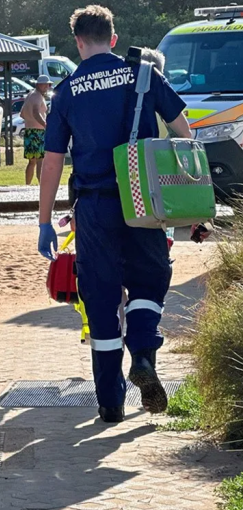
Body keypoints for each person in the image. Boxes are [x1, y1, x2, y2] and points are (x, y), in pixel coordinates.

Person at [38, 5, 191, 423]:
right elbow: (183, 130)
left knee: (102, 298)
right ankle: (142, 352)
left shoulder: (67, 90)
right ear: (114, 38)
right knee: (150, 278)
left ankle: (109, 401)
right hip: (144, 197)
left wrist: (43, 221)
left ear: (79, 43)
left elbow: (52, 162)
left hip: (94, 205)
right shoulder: (144, 74)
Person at [20, 75, 52, 184]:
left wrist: (30, 121)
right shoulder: (38, 96)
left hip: (29, 131)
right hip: (38, 132)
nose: (47, 87)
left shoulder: (30, 95)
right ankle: (41, 185)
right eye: (45, 84)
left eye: (48, 85)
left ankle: (27, 184)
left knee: (31, 162)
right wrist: (45, 124)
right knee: (40, 161)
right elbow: (36, 112)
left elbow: (22, 114)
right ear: (39, 85)